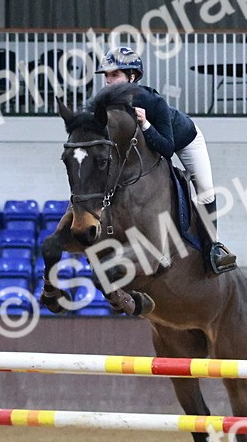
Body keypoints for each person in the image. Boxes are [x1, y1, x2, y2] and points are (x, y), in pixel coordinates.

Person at [95, 46, 237, 274]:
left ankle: (214, 249)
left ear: (132, 77)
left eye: (115, 75)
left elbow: (167, 148)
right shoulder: (105, 103)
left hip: (184, 139)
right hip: (148, 150)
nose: (109, 81)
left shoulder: (152, 101)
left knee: (205, 190)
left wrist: (145, 124)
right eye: (107, 76)